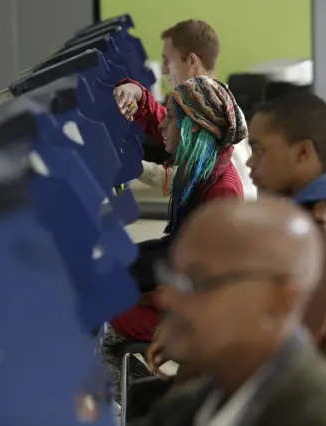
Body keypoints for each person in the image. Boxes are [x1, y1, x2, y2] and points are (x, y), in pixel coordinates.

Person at [144, 92, 326, 418]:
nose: (249, 162)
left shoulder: (325, 235)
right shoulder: (306, 218)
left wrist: (190, 361)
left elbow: (270, 343)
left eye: (260, 150)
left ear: (304, 152)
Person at [132, 198, 326, 426]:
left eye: (196, 281)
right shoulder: (192, 405)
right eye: (172, 276)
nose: (166, 297)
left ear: (278, 303)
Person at [103, 75, 246, 401]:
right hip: (184, 302)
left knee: (94, 321)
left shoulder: (221, 191)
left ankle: (148, 406)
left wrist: (141, 296)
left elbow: (202, 281)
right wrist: (137, 94)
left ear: (192, 130)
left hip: (197, 319)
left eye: (171, 120)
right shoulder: (205, 168)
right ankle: (144, 400)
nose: (162, 127)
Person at [122, 19, 257, 200]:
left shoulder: (210, 108)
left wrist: (134, 166)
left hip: (228, 213)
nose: (163, 71)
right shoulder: (217, 98)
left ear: (192, 60)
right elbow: (170, 125)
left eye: (167, 61)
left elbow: (186, 178)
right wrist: (139, 95)